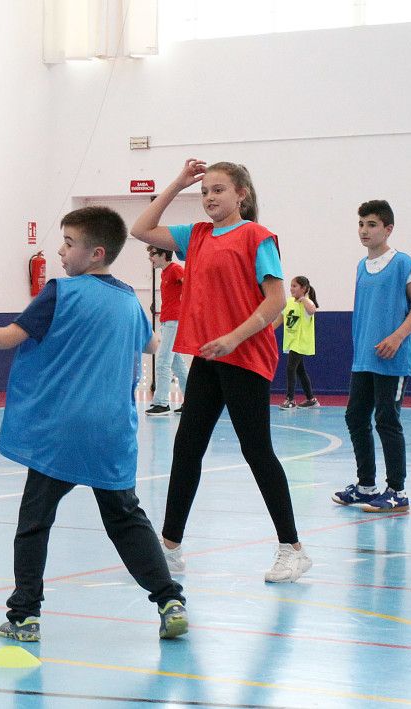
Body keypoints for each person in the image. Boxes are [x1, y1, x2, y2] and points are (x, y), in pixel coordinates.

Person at [0, 206, 187, 642]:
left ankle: (25, 615)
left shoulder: (60, 293)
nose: (60, 250)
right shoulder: (129, 299)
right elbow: (152, 343)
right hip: (111, 432)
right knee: (126, 518)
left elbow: (11, 336)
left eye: (69, 243)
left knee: (34, 521)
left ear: (95, 253)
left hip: (61, 433)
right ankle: (169, 600)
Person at [131, 159, 311, 583]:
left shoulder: (256, 237)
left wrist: (234, 337)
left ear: (241, 195)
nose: (210, 197)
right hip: (209, 356)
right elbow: (141, 229)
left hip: (245, 356)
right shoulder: (194, 236)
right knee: (187, 447)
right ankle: (170, 548)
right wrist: (178, 182)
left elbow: (274, 302)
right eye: (205, 191)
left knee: (257, 451)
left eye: (219, 190)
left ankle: (293, 549)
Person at [332, 201, 411, 513]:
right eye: (361, 224)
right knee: (355, 416)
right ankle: (365, 486)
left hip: (394, 358)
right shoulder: (361, 266)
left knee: (387, 419)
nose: (364, 230)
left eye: (372, 224)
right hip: (364, 358)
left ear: (388, 229)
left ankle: (397, 492)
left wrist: (398, 337)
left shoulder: (403, 263)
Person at [144, 247, 190, 416]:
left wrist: (186, 305)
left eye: (153, 254)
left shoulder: (175, 269)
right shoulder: (165, 273)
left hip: (174, 322)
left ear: (164, 255)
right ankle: (192, 402)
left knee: (163, 361)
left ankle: (162, 403)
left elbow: (190, 285)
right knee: (177, 364)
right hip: (168, 322)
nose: (150, 258)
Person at [273, 276, 320, 410]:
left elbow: (312, 310)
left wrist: (304, 299)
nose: (291, 288)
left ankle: (290, 399)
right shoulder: (288, 303)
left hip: (301, 343)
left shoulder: (308, 303)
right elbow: (278, 320)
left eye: (295, 286)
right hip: (292, 342)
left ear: (303, 288)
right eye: (291, 286)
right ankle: (311, 399)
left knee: (290, 368)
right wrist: (267, 331)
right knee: (300, 371)